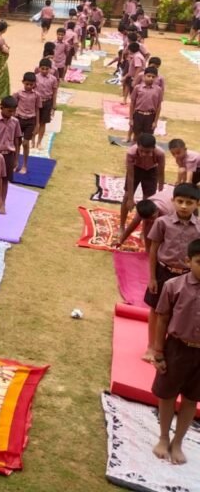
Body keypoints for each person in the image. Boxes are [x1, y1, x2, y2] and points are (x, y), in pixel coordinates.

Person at [151, 237, 200, 465]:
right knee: (168, 394)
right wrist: (158, 352)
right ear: (188, 261)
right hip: (176, 349)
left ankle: (178, 442)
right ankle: (163, 437)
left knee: (191, 399)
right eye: (199, 262)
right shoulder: (173, 286)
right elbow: (162, 319)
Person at [145, 184, 200, 363]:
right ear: (173, 201)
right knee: (156, 309)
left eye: (189, 202)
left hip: (187, 277)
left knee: (179, 311)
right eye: (180, 201)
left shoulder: (199, 228)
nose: (184, 206)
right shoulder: (162, 222)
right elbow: (154, 249)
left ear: (197, 204)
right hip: (163, 272)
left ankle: (168, 347)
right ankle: (151, 346)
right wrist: (152, 277)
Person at [121, 133, 167, 231]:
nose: (143, 154)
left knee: (148, 201)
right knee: (126, 196)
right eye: (141, 150)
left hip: (151, 171)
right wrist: (130, 199)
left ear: (153, 148)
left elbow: (161, 173)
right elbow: (130, 176)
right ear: (137, 146)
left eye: (147, 152)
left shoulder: (160, 154)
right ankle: (121, 226)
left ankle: (144, 230)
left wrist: (161, 191)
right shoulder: (131, 153)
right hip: (135, 169)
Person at [0, 98, 21, 214]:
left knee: (5, 180)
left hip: (8, 155)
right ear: (1, 108)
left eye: (14, 111)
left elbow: (17, 140)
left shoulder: (15, 122)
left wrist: (16, 158)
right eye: (9, 111)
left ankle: (3, 202)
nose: (12, 113)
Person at [13, 72, 41, 175]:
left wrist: (37, 124)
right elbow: (13, 107)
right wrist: (13, 120)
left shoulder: (37, 95)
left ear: (34, 84)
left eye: (31, 84)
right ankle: (16, 163)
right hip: (19, 119)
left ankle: (24, 165)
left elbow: (37, 109)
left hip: (30, 121)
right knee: (17, 143)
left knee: (25, 143)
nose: (29, 86)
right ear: (23, 82)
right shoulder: (18, 93)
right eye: (27, 84)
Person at [128, 67, 163, 143]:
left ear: (156, 78)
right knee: (136, 136)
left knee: (147, 138)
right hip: (138, 115)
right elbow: (132, 104)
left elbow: (158, 106)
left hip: (150, 116)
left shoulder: (158, 90)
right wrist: (131, 119)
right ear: (144, 76)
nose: (151, 78)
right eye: (149, 76)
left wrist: (155, 121)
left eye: (153, 77)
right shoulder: (137, 88)